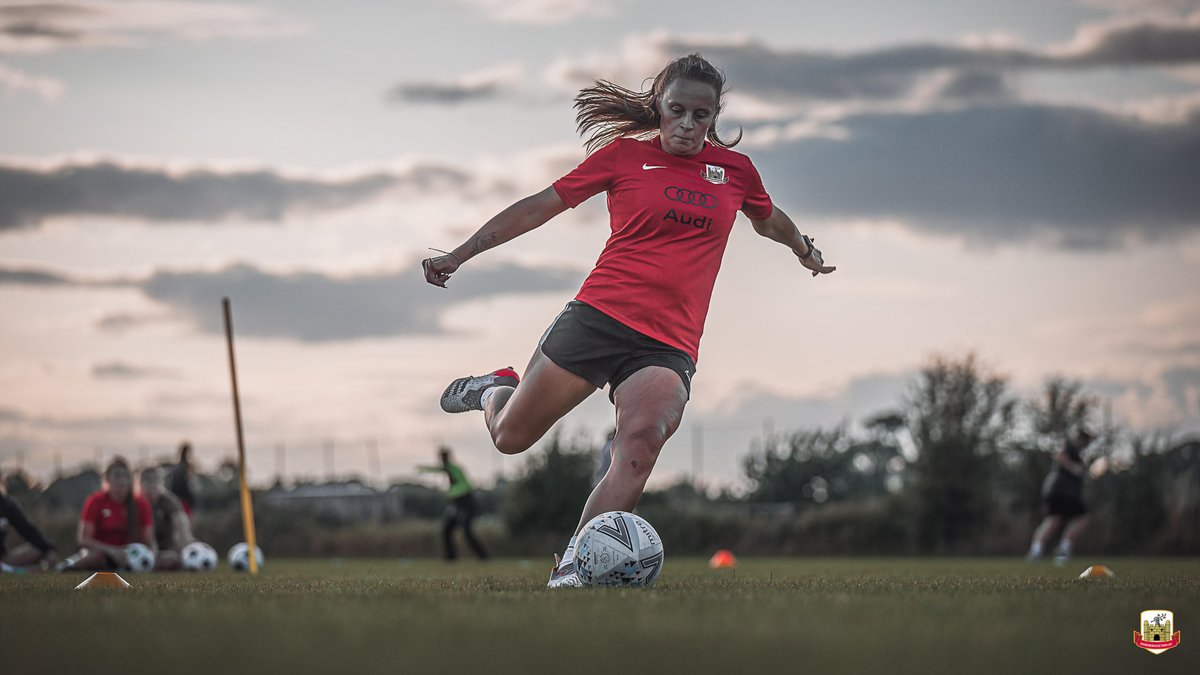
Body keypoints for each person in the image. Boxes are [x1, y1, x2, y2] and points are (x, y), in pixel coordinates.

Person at [423, 53, 835, 587]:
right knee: (509, 437)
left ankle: (573, 565)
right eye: (677, 111)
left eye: (701, 115)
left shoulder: (735, 172)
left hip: (668, 344)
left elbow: (768, 219)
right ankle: (493, 389)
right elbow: (537, 207)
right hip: (598, 318)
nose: (687, 125)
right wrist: (460, 253)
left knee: (640, 445)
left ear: (714, 117)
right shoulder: (623, 158)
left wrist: (804, 248)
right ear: (659, 107)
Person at [62, 456, 155, 571]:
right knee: (96, 557)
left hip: (131, 556)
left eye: (125, 476)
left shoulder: (141, 503)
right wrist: (112, 551)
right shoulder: (95, 501)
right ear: (107, 479)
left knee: (170, 559)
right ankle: (68, 567)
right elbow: (84, 539)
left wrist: (152, 556)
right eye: (117, 476)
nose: (121, 480)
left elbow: (148, 539)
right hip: (101, 554)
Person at [1027, 426, 1097, 564]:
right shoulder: (1072, 446)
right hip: (1064, 489)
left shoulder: (1077, 451)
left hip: (1054, 488)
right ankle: (1063, 548)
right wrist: (1074, 468)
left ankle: (1036, 551)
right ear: (1084, 438)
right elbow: (1059, 455)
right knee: (1081, 518)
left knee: (1053, 520)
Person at [418, 447, 489, 561]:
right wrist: (424, 469)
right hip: (456, 504)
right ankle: (451, 558)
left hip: (466, 503)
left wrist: (452, 493)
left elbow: (463, 485)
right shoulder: (448, 469)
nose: (442, 460)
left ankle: (483, 557)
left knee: (466, 531)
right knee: (446, 530)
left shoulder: (454, 469)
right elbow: (438, 470)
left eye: (443, 457)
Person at [0, 473, 60, 572]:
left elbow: (27, 529)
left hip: (4, 557)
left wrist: (48, 549)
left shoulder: (5, 504)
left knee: (38, 550)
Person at [139, 467, 194, 571]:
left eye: (155, 481)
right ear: (140, 484)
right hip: (142, 549)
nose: (151, 485)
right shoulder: (135, 502)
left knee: (171, 559)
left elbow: (182, 526)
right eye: (147, 481)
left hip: (165, 550)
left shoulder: (170, 501)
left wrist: (186, 550)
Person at [166, 440, 195, 517]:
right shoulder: (183, 468)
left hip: (179, 501)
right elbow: (185, 486)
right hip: (183, 502)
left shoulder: (178, 467)